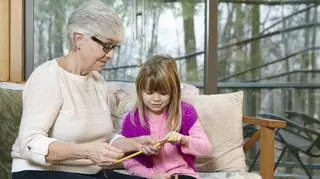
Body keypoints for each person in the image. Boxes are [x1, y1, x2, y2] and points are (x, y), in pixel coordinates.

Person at [11, 1, 157, 179]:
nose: (111, 55)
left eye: (114, 47)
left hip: (89, 173)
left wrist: (134, 143)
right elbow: (30, 142)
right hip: (39, 173)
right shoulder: (47, 77)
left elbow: (103, 138)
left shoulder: (96, 80)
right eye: (107, 45)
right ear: (79, 39)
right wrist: (86, 152)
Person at [121, 55, 212, 179]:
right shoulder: (132, 121)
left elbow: (206, 148)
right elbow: (129, 161)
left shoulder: (186, 112)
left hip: (183, 174)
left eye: (163, 93)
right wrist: (151, 175)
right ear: (140, 91)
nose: (156, 99)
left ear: (173, 91)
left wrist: (183, 140)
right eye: (149, 92)